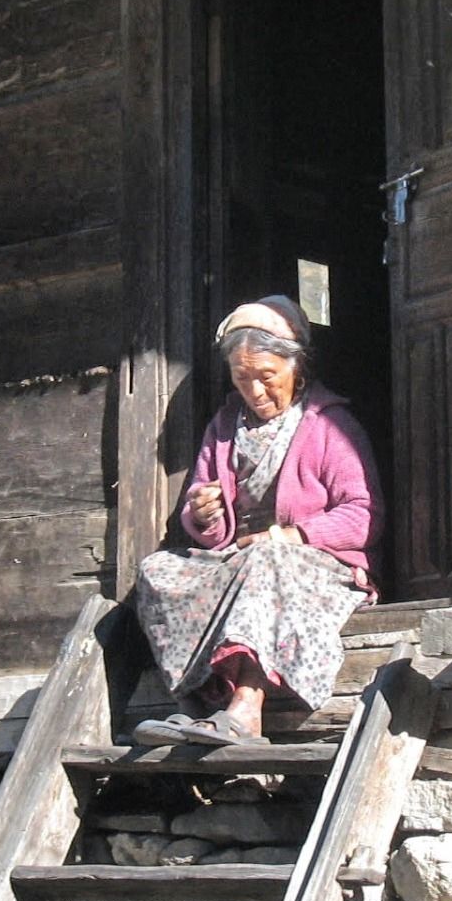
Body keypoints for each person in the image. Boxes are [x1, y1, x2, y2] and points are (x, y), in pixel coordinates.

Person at [131, 295, 385, 747]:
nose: (255, 391)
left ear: (297, 366)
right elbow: (206, 517)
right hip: (244, 558)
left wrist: (293, 534)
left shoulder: (330, 426)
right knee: (158, 570)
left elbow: (363, 514)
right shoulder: (225, 427)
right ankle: (193, 705)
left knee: (267, 559)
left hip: (316, 565)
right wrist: (202, 514)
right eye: (241, 378)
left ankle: (246, 710)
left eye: (267, 377)